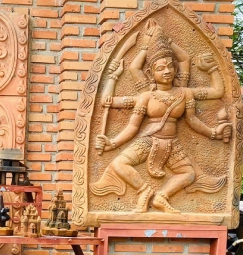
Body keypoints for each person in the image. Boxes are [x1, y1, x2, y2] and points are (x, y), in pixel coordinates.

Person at [92, 20, 231, 213]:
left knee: (189, 174)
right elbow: (131, 126)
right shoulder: (146, 96)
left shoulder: (184, 93)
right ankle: (143, 191)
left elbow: (196, 116)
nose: (167, 71)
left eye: (170, 67)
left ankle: (161, 197)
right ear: (150, 73)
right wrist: (112, 143)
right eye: (160, 68)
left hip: (172, 143)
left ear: (175, 69)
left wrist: (213, 133)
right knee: (118, 163)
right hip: (149, 140)